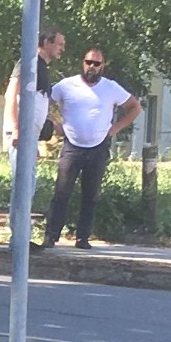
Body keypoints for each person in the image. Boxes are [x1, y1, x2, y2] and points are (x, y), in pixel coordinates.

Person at [39, 46, 138, 248]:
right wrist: (54, 123)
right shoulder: (67, 85)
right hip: (72, 146)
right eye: (88, 62)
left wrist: (114, 129)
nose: (91, 67)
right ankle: (51, 236)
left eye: (96, 63)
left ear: (103, 66)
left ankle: (82, 238)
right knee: (61, 192)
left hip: (98, 147)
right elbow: (42, 100)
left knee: (90, 194)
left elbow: (135, 107)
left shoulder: (111, 88)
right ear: (83, 63)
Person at [0, 28, 66, 157]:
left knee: (28, 176)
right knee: (21, 176)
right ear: (46, 42)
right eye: (60, 44)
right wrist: (15, 128)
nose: (62, 49)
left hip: (29, 135)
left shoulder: (42, 68)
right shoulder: (30, 62)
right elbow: (11, 94)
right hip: (20, 133)